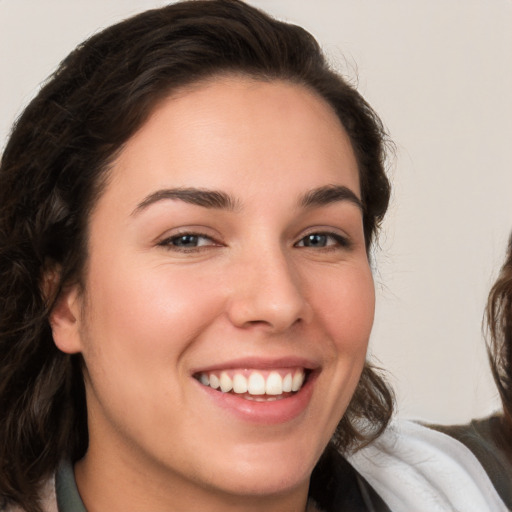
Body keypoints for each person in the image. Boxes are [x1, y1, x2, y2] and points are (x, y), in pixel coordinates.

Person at [0, 1, 507, 511]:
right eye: (189, 239)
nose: (279, 301)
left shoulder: (469, 486)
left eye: (319, 239)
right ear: (66, 300)